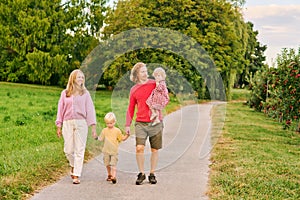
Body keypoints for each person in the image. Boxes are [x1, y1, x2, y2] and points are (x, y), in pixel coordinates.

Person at [125, 62, 169, 185]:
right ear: (137, 74)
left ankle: (152, 173)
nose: (146, 73)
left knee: (155, 149)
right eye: (143, 71)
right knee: (139, 148)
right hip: (140, 123)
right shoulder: (133, 90)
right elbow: (130, 108)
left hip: (155, 122)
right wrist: (127, 125)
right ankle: (141, 173)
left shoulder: (154, 84)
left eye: (146, 70)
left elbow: (164, 94)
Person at [55, 69, 97, 184]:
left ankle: (76, 174)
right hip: (67, 123)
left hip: (81, 123)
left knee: (79, 149)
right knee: (68, 150)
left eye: (82, 77)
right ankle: (73, 165)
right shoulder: (65, 93)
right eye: (79, 77)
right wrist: (59, 125)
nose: (81, 79)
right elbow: (60, 109)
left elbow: (90, 110)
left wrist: (93, 127)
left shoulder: (85, 93)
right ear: (73, 79)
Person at [95, 112, 129, 184]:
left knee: (113, 164)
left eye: (111, 123)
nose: (109, 125)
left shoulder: (117, 131)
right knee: (107, 164)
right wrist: (96, 137)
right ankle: (109, 174)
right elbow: (100, 138)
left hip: (114, 151)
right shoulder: (104, 130)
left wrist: (127, 135)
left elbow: (121, 138)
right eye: (107, 123)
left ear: (114, 122)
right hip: (106, 151)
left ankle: (113, 176)